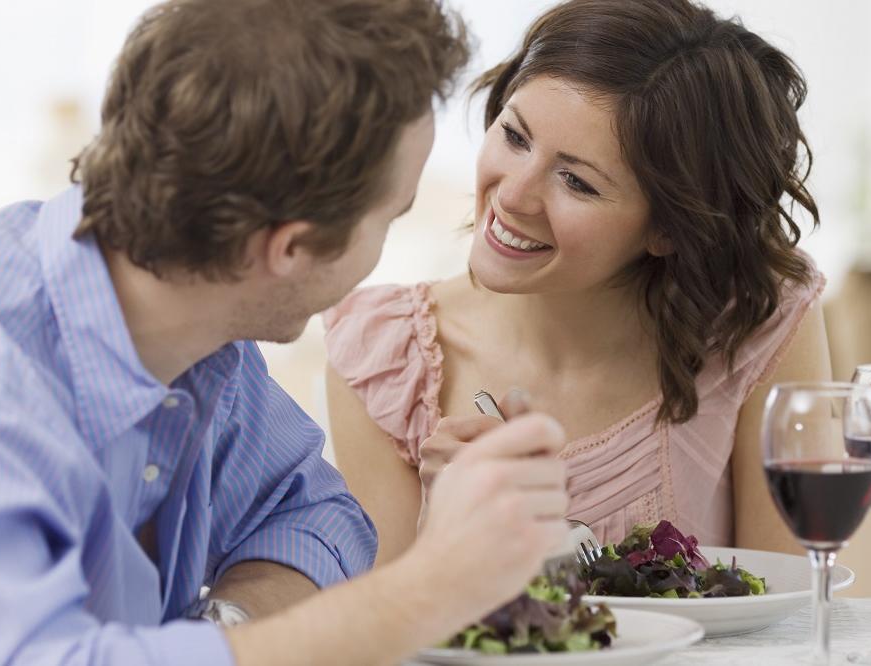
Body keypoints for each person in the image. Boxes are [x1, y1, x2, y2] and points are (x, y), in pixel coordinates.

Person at [0, 1, 573, 665]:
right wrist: (430, 586)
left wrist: (224, 630)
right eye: (390, 218)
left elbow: (314, 514)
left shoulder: (198, 320)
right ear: (289, 248)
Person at [324, 0, 832, 567]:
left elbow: (793, 598)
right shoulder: (383, 357)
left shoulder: (758, 320)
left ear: (668, 227)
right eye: (515, 136)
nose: (512, 195)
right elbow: (387, 619)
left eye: (576, 181)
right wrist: (445, 536)